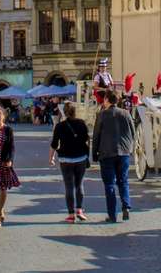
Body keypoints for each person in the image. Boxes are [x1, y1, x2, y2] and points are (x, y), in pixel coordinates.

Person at [91, 93, 135, 223]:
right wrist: (129, 148)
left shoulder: (102, 115)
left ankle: (112, 215)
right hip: (124, 153)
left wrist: (94, 154)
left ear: (106, 100)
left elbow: (96, 136)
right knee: (123, 181)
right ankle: (126, 206)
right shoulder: (126, 113)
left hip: (106, 153)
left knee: (109, 185)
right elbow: (132, 132)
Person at [50, 101, 90, 222]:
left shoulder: (59, 126)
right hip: (80, 158)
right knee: (79, 184)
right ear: (75, 111)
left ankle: (71, 214)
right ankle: (79, 210)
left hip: (65, 159)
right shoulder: (82, 123)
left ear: (64, 112)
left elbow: (54, 144)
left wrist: (51, 158)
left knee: (69, 186)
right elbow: (86, 140)